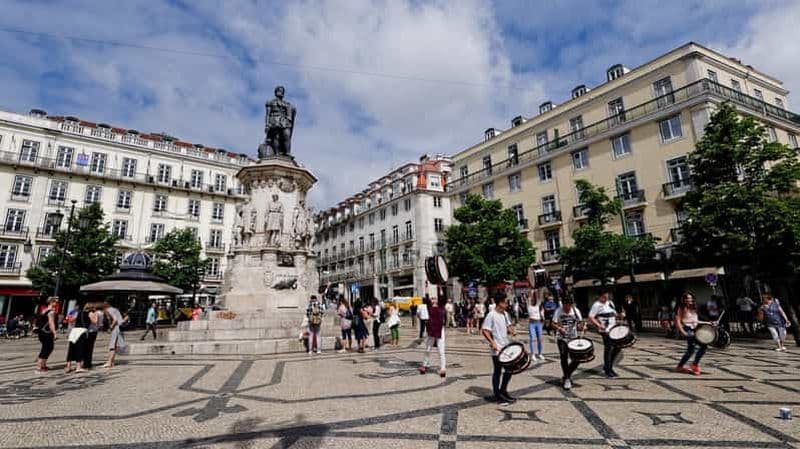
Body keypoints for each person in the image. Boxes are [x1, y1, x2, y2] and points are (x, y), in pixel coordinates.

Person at [482, 294, 516, 406]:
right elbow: (485, 331)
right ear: (500, 303)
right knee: (497, 371)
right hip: (497, 348)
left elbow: (508, 326)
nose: (507, 304)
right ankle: (497, 395)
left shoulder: (505, 314)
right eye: (506, 302)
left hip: (506, 347)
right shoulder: (491, 315)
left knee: (510, 369)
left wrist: (512, 330)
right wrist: (492, 343)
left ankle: (503, 390)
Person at [675, 291, 713, 375]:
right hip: (688, 329)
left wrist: (707, 323)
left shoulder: (694, 308)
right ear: (684, 300)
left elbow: (695, 321)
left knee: (693, 349)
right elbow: (678, 321)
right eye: (687, 298)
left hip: (695, 329)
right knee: (698, 347)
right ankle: (693, 365)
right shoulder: (681, 308)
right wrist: (682, 331)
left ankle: (682, 366)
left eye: (690, 298)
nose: (689, 299)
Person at [588, 292, 624, 378]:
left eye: (607, 297)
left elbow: (614, 314)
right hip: (605, 330)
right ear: (599, 297)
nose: (606, 298)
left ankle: (608, 365)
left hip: (613, 329)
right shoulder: (596, 305)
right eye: (604, 297)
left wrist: (620, 315)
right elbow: (591, 317)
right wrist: (599, 325)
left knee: (618, 347)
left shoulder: (610, 303)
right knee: (609, 348)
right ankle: (608, 369)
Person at [552, 297, 585, 390]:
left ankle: (567, 374)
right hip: (561, 337)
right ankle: (567, 379)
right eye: (565, 306)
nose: (567, 308)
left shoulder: (575, 311)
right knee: (563, 356)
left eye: (569, 306)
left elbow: (580, 323)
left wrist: (581, 326)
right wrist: (559, 328)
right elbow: (553, 323)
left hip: (573, 338)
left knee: (577, 358)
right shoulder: (558, 311)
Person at [419, 296, 447, 377]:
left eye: (435, 298)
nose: (434, 299)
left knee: (441, 350)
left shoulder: (441, 307)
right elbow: (427, 299)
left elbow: (442, 297)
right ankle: (424, 365)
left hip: (439, 330)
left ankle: (443, 368)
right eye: (432, 298)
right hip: (431, 330)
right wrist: (427, 286)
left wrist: (440, 287)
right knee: (428, 349)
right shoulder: (429, 307)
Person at [65, 303, 91, 374]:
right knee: (79, 349)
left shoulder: (78, 313)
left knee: (71, 349)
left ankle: (68, 367)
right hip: (81, 331)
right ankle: (78, 367)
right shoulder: (89, 314)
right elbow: (94, 322)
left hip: (74, 331)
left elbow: (71, 320)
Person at [35, 297, 59, 373]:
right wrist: (55, 333)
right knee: (46, 349)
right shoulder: (51, 312)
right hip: (47, 332)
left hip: (42, 332)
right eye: (55, 302)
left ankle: (43, 365)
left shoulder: (44, 310)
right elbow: (51, 323)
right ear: (51, 302)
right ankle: (39, 367)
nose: (56, 303)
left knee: (48, 348)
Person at [102, 303, 125, 368]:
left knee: (112, 345)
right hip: (119, 328)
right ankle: (111, 362)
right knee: (114, 345)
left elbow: (115, 320)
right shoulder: (115, 309)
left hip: (116, 328)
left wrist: (110, 328)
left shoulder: (109, 310)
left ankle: (109, 362)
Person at [527, 295, 545, 361]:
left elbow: (538, 297)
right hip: (531, 324)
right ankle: (533, 354)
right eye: (532, 300)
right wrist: (531, 292)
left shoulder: (537, 305)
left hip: (538, 323)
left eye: (534, 300)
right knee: (532, 339)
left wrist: (536, 291)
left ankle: (540, 353)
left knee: (540, 339)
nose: (533, 301)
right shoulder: (528, 306)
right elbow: (529, 297)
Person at [84, 303, 100, 370]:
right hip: (91, 332)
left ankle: (86, 363)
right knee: (89, 348)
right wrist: (96, 315)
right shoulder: (90, 313)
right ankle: (87, 364)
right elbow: (95, 321)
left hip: (91, 331)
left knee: (88, 348)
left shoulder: (87, 313)